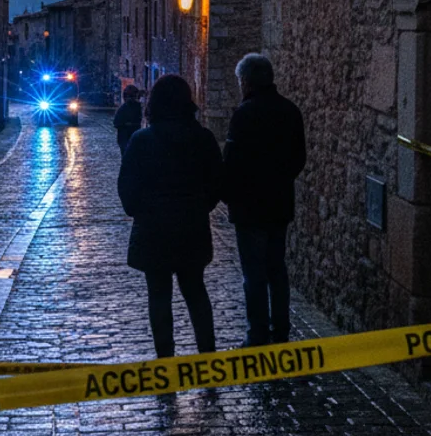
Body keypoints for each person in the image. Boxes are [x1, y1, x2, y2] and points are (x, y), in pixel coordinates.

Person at [118, 75, 221, 358]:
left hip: (154, 229)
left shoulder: (141, 141)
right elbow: (216, 182)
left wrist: (141, 210)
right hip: (191, 226)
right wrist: (199, 206)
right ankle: (207, 354)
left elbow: (127, 187)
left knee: (159, 295)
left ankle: (165, 358)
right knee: (196, 291)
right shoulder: (202, 138)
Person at [221, 53, 306, 347]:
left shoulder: (244, 114)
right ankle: (280, 330)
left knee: (253, 274)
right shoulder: (290, 111)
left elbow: (231, 163)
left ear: (245, 81)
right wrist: (279, 181)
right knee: (277, 270)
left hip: (249, 208)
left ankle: (257, 334)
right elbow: (299, 159)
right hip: (280, 204)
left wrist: (228, 196)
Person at [113, 84, 144, 155]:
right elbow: (116, 123)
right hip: (125, 139)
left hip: (132, 138)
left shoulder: (137, 107)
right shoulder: (124, 108)